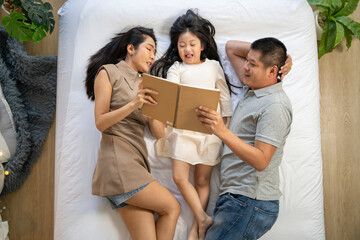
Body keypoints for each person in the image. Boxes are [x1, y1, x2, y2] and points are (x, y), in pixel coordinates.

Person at [84, 26, 180, 240]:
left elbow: (157, 133)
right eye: (149, 49)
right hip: (119, 163)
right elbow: (100, 122)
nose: (153, 56)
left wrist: (161, 109)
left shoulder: (147, 84)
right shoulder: (109, 73)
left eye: (155, 51)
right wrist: (134, 103)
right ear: (130, 48)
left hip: (137, 163)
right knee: (172, 207)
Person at [196, 37, 293, 240]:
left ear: (272, 71)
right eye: (247, 61)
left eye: (253, 64)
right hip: (238, 199)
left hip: (250, 201)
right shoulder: (254, 88)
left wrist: (221, 131)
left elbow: (261, 160)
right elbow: (231, 48)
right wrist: (279, 56)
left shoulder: (275, 106)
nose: (246, 67)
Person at [150, 10, 233, 240]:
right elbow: (170, 94)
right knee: (179, 177)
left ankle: (197, 228)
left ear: (202, 45)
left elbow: (224, 97)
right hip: (183, 130)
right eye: (182, 45)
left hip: (209, 130)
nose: (187, 50)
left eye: (192, 44)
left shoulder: (214, 66)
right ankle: (203, 217)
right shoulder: (177, 69)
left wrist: (225, 125)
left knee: (202, 180)